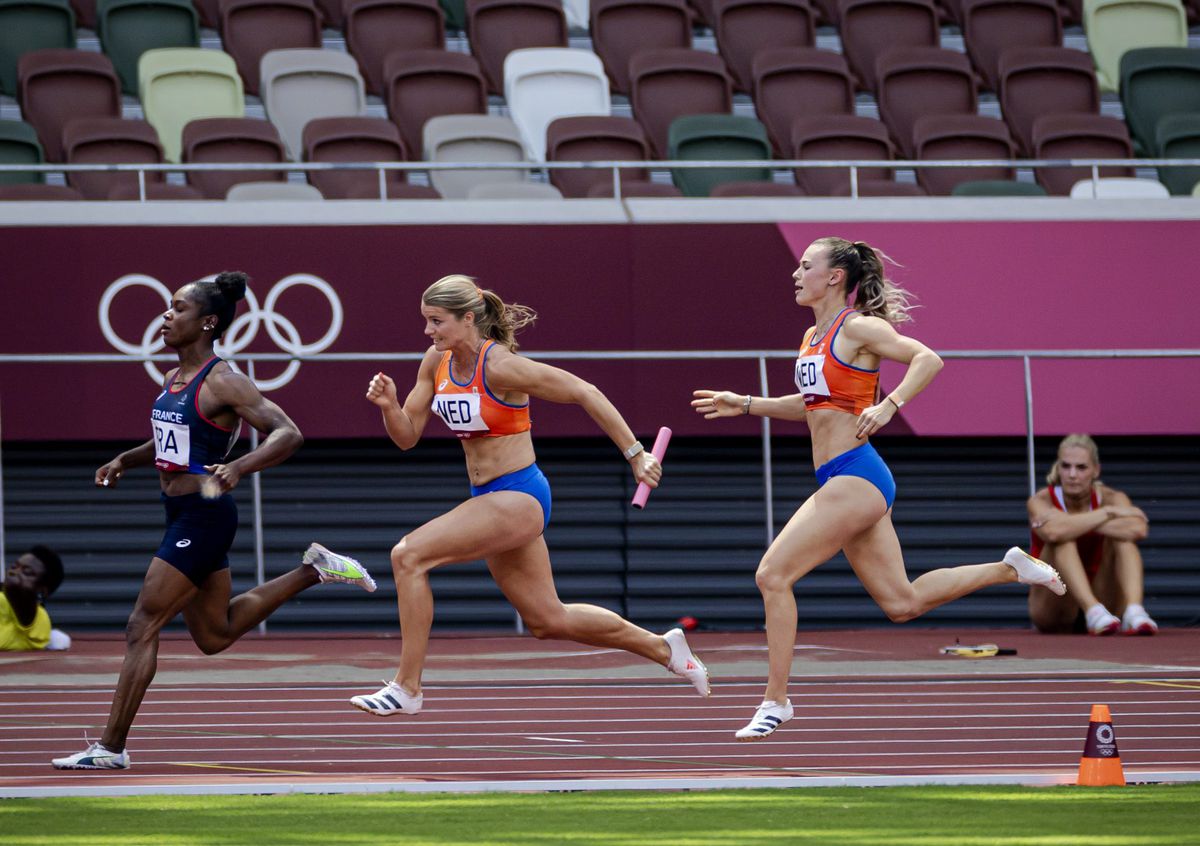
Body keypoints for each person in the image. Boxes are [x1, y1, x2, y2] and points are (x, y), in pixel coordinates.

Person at [691, 236, 1066, 742]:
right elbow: (812, 405)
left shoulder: (861, 327)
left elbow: (927, 359)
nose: (795, 274)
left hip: (856, 473)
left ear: (834, 277)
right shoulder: (811, 336)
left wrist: (890, 406)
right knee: (902, 603)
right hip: (843, 477)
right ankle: (1009, 567)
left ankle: (776, 700)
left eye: (806, 266)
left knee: (773, 574)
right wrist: (748, 403)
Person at [51, 272, 376, 771]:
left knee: (142, 624)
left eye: (177, 309)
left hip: (204, 514)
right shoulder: (172, 379)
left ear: (206, 322)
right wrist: (125, 460)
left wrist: (240, 466)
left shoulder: (224, 380)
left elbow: (289, 433)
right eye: (167, 307)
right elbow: (168, 444)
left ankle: (111, 748)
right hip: (180, 511)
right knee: (214, 635)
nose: (165, 316)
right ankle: (315, 570)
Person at [343, 274, 709, 718]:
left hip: (520, 495)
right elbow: (406, 437)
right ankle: (666, 648)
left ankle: (407, 688)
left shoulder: (500, 367)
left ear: (468, 318)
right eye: (426, 321)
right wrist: (389, 407)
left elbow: (583, 391)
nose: (428, 331)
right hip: (488, 496)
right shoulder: (434, 363)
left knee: (408, 556)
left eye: (436, 321)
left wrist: (635, 455)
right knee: (547, 620)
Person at [1027, 434, 1155, 635]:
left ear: (1096, 470)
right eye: (1066, 466)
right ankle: (1092, 610)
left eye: (1081, 467)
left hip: (1106, 601)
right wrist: (1107, 514)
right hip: (1055, 606)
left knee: (1124, 541)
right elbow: (1054, 532)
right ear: (1058, 468)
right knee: (1062, 540)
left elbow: (1137, 529)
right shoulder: (1040, 500)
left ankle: (1134, 611)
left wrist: (1072, 522)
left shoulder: (1114, 497)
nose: (1072, 475)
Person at [1, 545, 69, 651]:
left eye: (26, 572)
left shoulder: (40, 620)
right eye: (14, 566)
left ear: (42, 590)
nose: (14, 572)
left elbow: (19, 595)